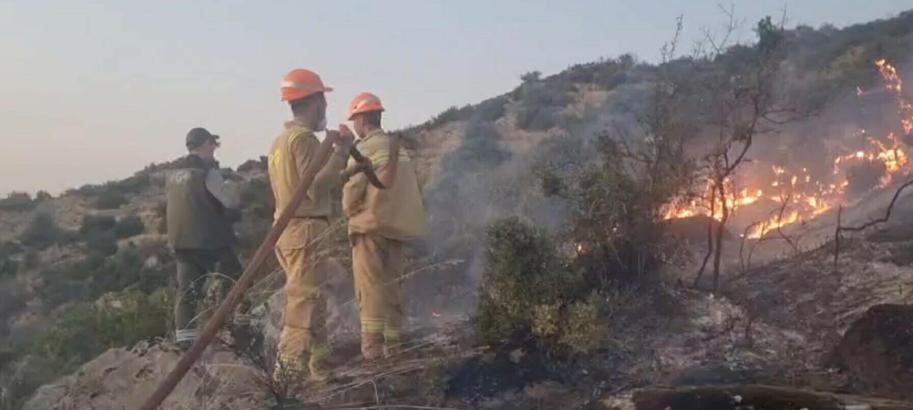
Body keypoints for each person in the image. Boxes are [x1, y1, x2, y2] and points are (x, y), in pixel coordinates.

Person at [268, 68, 353, 380]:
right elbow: (315, 185)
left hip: (288, 229)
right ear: (314, 101)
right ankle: (285, 382)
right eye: (324, 101)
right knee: (302, 307)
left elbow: (296, 186)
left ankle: (321, 370)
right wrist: (341, 152)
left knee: (312, 300)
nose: (326, 109)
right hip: (305, 230)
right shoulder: (304, 140)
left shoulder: (280, 142)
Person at [341, 92, 428, 360]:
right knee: (394, 286)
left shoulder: (365, 148)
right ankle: (397, 345)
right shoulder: (396, 148)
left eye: (355, 119)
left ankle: (372, 351)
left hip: (370, 226)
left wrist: (349, 211)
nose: (355, 125)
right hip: (397, 227)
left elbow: (352, 192)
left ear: (363, 119)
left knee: (370, 289)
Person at [165, 127, 242, 350]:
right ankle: (233, 330)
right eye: (213, 145)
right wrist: (233, 187)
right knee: (237, 280)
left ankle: (184, 344)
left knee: (186, 293)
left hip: (180, 242)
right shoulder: (207, 171)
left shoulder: (173, 174)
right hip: (210, 240)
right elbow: (229, 201)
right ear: (206, 144)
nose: (215, 151)